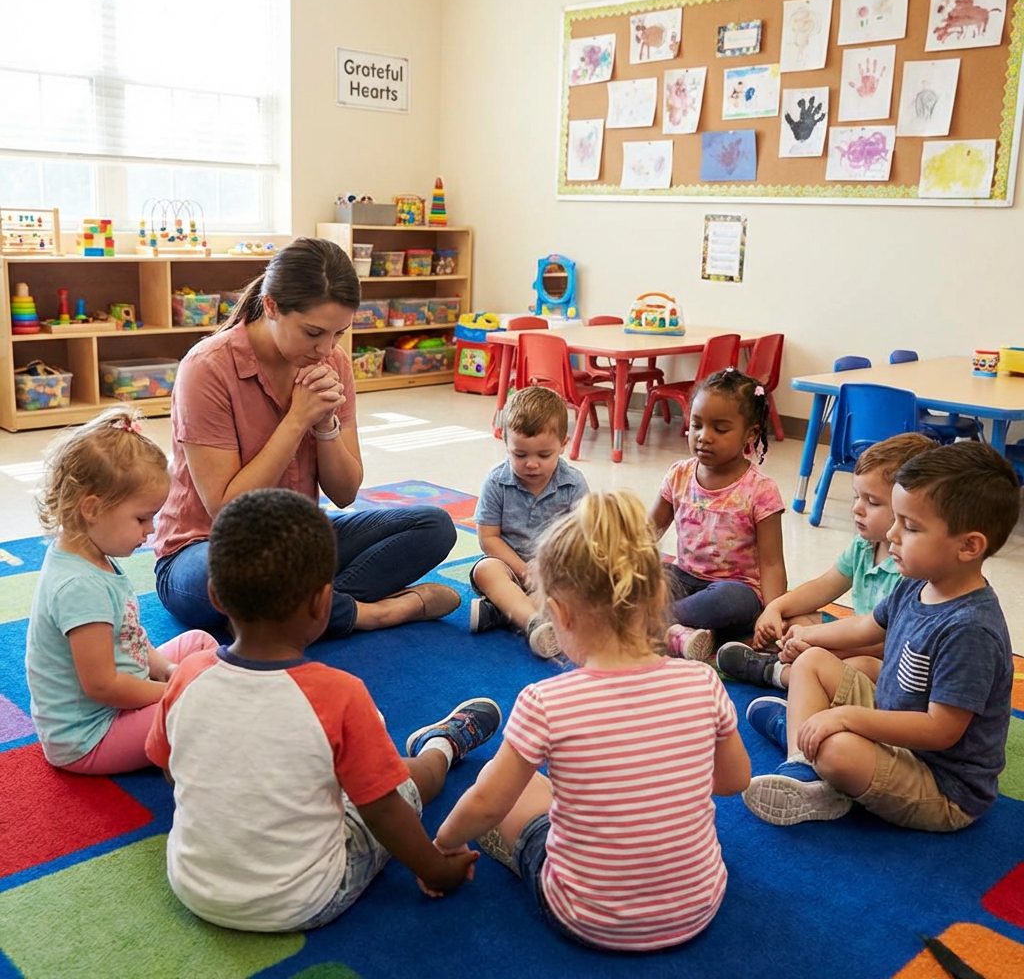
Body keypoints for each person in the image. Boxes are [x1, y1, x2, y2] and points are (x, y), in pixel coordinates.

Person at [145, 488, 501, 931]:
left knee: (331, 774)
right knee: (407, 782)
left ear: (215, 597)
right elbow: (384, 812)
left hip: (193, 884)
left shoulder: (187, 675)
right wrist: (437, 869)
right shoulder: (339, 694)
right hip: (302, 898)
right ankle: (443, 746)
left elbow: (169, 768)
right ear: (323, 603)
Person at [430, 491, 751, 952]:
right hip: (700, 903)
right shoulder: (703, 681)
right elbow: (734, 780)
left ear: (558, 613)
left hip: (587, 917)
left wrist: (440, 846)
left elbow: (485, 805)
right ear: (659, 597)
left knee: (506, 786)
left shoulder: (545, 701)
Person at [152, 236, 460, 642]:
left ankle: (284, 616)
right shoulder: (207, 367)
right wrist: (297, 418)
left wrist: (325, 423)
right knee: (243, 573)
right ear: (273, 306)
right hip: (208, 549)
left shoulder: (333, 360)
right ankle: (374, 613)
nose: (326, 349)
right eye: (314, 332)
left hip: (297, 544)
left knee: (434, 525)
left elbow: (346, 492)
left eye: (338, 334)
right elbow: (228, 510)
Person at [742, 443, 1019, 830]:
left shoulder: (971, 630)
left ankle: (811, 749)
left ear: (969, 546)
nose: (891, 534)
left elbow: (940, 731)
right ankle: (801, 762)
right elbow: (864, 626)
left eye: (911, 526)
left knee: (837, 749)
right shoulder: (917, 582)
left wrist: (845, 718)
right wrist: (809, 639)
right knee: (812, 662)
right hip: (893, 723)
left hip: (940, 783)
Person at [24, 407, 218, 775]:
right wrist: (172, 690)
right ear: (93, 509)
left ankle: (209, 689)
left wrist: (168, 668)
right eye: (142, 518)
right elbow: (102, 686)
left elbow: (128, 633)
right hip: (89, 735)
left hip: (118, 697)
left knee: (196, 643)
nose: (150, 531)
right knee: (194, 707)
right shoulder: (79, 587)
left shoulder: (90, 555)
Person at [717, 432, 937, 690]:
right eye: (857, 496)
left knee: (860, 666)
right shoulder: (864, 546)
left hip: (883, 656)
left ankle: (778, 673)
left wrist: (820, 644)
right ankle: (796, 664)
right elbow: (823, 587)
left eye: (872, 502)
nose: (857, 508)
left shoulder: (914, 569)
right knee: (797, 619)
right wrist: (776, 608)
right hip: (854, 636)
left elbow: (886, 641)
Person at [649, 367, 786, 663]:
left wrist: (773, 615)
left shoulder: (761, 490)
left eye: (720, 429)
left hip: (735, 591)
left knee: (730, 601)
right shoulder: (679, 474)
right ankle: (678, 632)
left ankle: (649, 623)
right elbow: (649, 532)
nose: (704, 437)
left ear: (750, 434)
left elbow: (772, 563)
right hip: (683, 578)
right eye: (696, 425)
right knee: (647, 573)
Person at [468, 385, 589, 658]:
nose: (531, 464)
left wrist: (548, 570)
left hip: (554, 571)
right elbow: (488, 538)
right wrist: (524, 570)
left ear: (563, 445)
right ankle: (535, 623)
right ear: (505, 443)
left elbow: (580, 537)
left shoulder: (573, 483)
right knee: (485, 569)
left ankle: (503, 612)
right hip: (509, 565)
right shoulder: (497, 481)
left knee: (591, 580)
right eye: (520, 455)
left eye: (544, 455)